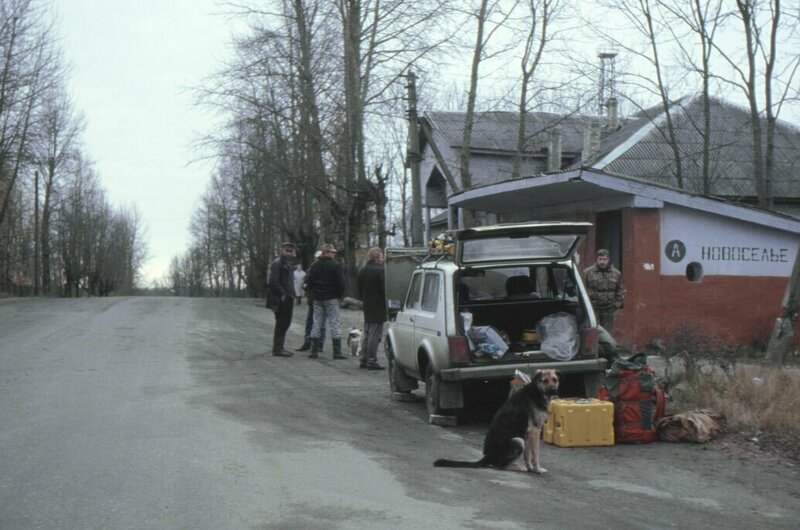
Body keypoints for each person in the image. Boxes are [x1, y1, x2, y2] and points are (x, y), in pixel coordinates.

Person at [306, 243, 346, 359]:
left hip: (318, 298)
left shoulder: (315, 265)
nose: (334, 254)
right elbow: (340, 283)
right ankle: (337, 352)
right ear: (327, 252)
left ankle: (314, 351)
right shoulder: (335, 265)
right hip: (331, 297)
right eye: (333, 252)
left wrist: (313, 293)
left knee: (317, 322)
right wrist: (339, 295)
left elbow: (309, 281)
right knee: (334, 323)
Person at [356, 246, 386, 370]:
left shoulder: (362, 270)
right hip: (377, 306)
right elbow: (383, 289)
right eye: (382, 257)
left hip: (367, 305)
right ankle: (371, 360)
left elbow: (359, 289)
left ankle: (363, 358)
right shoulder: (378, 271)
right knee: (375, 335)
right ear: (378, 257)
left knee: (367, 333)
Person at [266, 242, 297, 357]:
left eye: (290, 250)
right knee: (282, 323)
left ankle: (279, 347)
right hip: (281, 298)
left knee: (285, 323)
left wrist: (293, 295)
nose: (289, 253)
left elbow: (289, 282)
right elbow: (273, 281)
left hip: (288, 297)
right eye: (287, 250)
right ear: (281, 250)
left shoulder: (288, 264)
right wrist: (283, 293)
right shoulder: (277, 264)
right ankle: (278, 348)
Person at [583, 248, 625, 332]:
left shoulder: (616, 273)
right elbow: (583, 289)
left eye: (604, 259)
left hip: (609, 309)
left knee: (607, 333)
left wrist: (616, 305)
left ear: (608, 260)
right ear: (596, 259)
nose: (602, 262)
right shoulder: (587, 272)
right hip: (593, 308)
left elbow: (620, 290)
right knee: (593, 332)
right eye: (600, 259)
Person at [296, 250, 326, 352]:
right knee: (311, 322)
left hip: (320, 298)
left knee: (320, 322)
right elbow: (305, 281)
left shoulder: (324, 268)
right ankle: (309, 342)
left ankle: (318, 344)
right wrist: (305, 286)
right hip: (313, 298)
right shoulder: (312, 267)